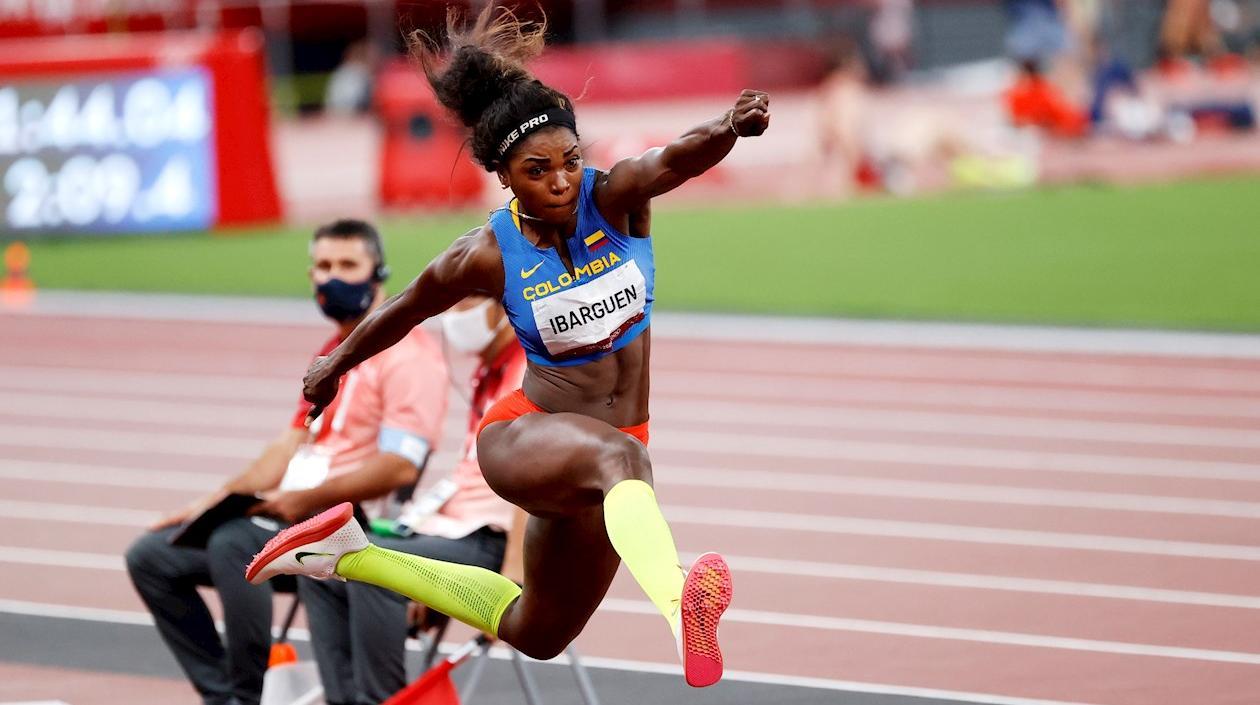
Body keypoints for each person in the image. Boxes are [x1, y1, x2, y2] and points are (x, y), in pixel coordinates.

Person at [245, 5, 769, 689]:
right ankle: (682, 606)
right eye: (537, 169)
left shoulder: (615, 198)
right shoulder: (488, 254)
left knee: (538, 632)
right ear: (504, 175)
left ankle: (347, 554)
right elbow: (405, 309)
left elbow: (676, 156)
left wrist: (730, 126)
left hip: (605, 467)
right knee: (624, 459)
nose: (561, 181)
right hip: (525, 437)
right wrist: (333, 366)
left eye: (570, 161)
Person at [125, 219, 449, 705]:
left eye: (347, 264)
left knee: (234, 542)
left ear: (379, 271)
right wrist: (212, 502)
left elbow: (401, 467)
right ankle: (223, 694)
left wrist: (302, 500)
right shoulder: (332, 354)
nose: (332, 277)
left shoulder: (408, 355)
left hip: (348, 523)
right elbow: (289, 444)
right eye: (322, 265)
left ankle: (248, 695)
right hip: (293, 512)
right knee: (152, 556)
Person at [300, 294, 523, 705]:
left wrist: (513, 576)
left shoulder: (527, 370)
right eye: (452, 303)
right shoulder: (488, 370)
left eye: (467, 302)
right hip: (453, 528)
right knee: (322, 560)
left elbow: (536, 483)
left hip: (491, 537)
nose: (454, 315)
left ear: (504, 306)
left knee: (369, 566)